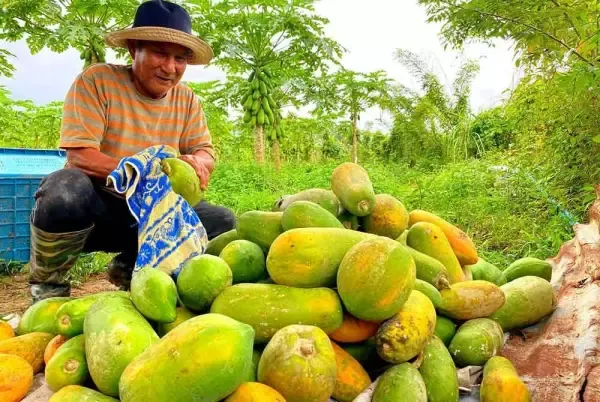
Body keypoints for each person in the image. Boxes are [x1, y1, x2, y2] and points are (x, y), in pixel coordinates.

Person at [28, 0, 235, 302]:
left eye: (180, 58)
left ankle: (130, 267)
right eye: (160, 53)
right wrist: (142, 171)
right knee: (63, 191)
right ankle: (48, 288)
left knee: (222, 222)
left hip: (153, 212)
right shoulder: (98, 81)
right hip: (97, 208)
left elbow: (204, 150)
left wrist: (199, 162)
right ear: (133, 49)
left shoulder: (187, 99)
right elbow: (80, 156)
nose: (170, 67)